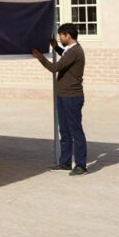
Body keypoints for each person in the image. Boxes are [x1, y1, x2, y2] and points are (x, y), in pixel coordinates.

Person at [32, 23, 88, 176]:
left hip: (72, 97)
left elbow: (54, 68)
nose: (59, 37)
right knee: (64, 131)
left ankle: (81, 165)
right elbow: (65, 56)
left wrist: (40, 57)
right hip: (63, 96)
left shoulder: (75, 51)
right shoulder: (71, 50)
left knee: (76, 131)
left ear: (67, 36)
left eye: (61, 35)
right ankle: (65, 162)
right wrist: (56, 47)